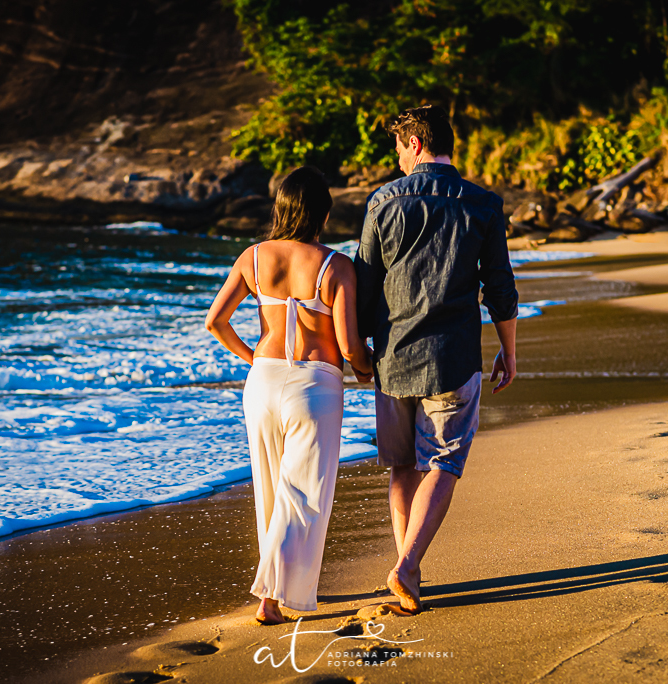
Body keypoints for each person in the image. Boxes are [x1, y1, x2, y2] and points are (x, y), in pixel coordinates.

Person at [355, 105, 519, 615]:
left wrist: (359, 351)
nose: (399, 159)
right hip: (453, 355)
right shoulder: (482, 203)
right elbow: (501, 289)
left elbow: (363, 283)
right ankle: (407, 567)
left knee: (403, 465)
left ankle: (410, 568)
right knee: (444, 461)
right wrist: (508, 352)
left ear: (417, 144)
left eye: (400, 148)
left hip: (393, 357)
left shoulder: (383, 202)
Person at [205, 167, 374, 625]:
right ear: (322, 212)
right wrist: (366, 370)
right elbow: (347, 343)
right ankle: (269, 597)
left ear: (279, 207)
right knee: (302, 493)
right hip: (314, 384)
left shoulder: (252, 257)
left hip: (261, 382)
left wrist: (253, 359)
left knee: (270, 489)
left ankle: (273, 596)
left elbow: (215, 322)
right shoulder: (335, 265)